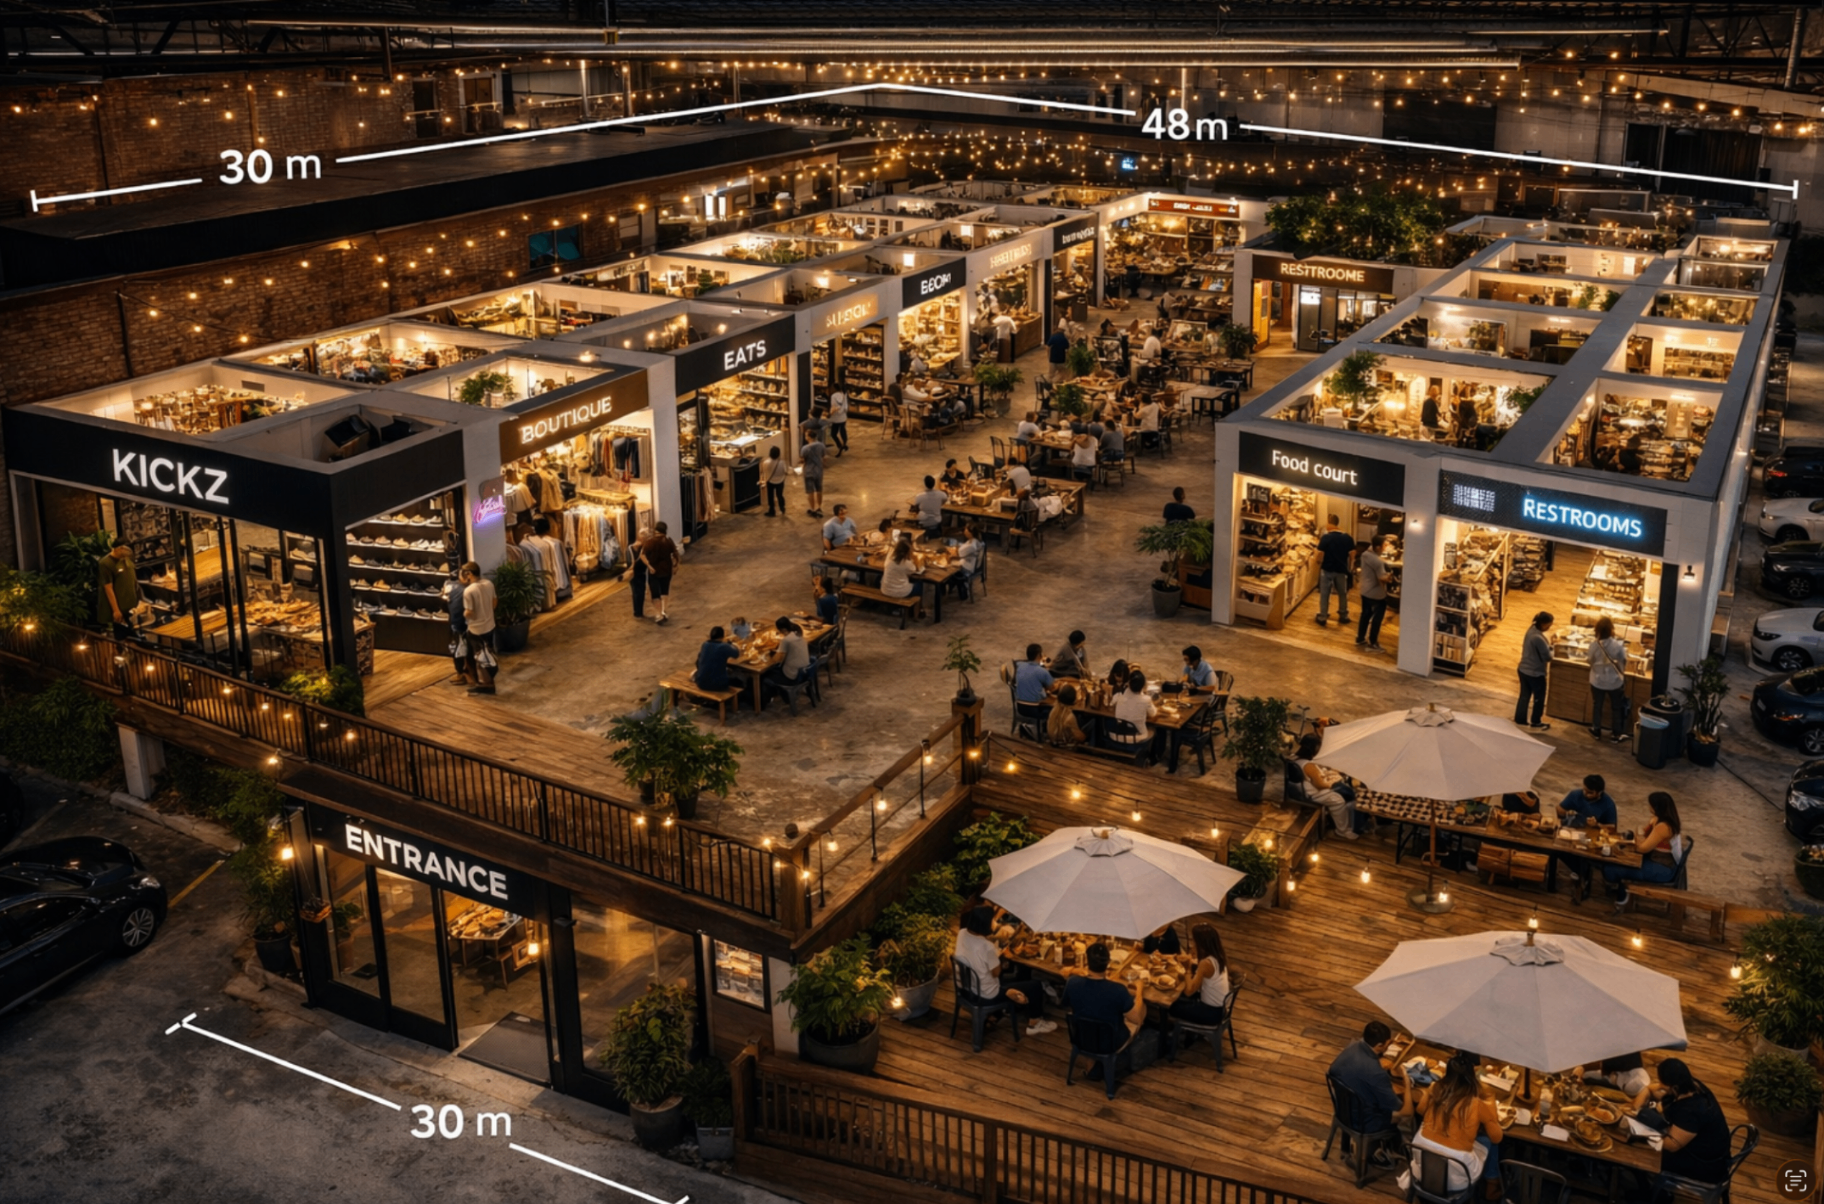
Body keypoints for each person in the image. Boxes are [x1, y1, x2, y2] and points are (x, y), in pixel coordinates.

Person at [1408, 1052, 1502, 1197]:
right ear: (1471, 1077)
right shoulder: (1477, 1104)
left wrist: (1431, 1095)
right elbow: (1497, 1138)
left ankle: (1492, 1182)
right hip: (1457, 1179)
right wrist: (1491, 1106)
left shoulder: (1435, 1088)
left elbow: (1420, 1110)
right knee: (1487, 1140)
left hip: (1423, 1169)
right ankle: (1492, 1183)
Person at [954, 906, 1055, 1036]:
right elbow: (996, 973)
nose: (993, 922)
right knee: (1035, 985)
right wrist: (999, 958)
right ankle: (1034, 1023)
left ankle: (1004, 1010)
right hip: (986, 994)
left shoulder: (962, 933)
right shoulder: (987, 946)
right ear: (985, 923)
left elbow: (976, 956)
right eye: (991, 920)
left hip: (966, 988)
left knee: (1018, 978)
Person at [1648, 1058, 1732, 1190]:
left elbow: (1671, 1145)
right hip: (1709, 1150)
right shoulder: (1692, 1086)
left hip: (1705, 1166)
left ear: (1674, 1087)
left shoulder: (1692, 1111)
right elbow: (1656, 1090)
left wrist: (1646, 1135)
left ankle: (1659, 1194)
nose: (1660, 1085)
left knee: (1649, 1154)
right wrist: (1647, 1092)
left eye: (1662, 1083)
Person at [1328, 1021, 1415, 1148]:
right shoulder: (1376, 1073)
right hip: (1363, 1121)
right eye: (1388, 1044)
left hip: (1343, 1107)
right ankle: (1385, 1148)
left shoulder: (1352, 1046)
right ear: (1379, 1045)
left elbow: (1334, 1070)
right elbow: (1406, 1111)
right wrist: (1407, 1082)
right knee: (1402, 1115)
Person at [1602, 791, 1686, 907]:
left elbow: (1643, 848)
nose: (1649, 807)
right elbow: (1643, 835)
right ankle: (1622, 891)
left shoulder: (1663, 827)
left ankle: (1623, 897)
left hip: (1662, 868)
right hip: (1660, 862)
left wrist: (1637, 839)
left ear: (1656, 807)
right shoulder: (1665, 821)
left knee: (1611, 869)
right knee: (1619, 864)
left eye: (1650, 804)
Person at [1064, 942, 1148, 1052]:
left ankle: (1090, 1064)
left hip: (1080, 1037)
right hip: (1110, 1044)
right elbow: (1137, 1019)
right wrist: (1139, 992)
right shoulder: (1118, 990)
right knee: (1142, 1008)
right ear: (1108, 963)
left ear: (1087, 961)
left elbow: (1065, 1004)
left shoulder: (1072, 982)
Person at [1295, 733, 1360, 839]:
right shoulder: (1308, 765)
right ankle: (1342, 830)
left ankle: (1343, 821)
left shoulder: (1295, 758)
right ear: (1314, 748)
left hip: (1301, 789)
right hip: (1312, 793)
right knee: (1338, 800)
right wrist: (1332, 781)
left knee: (1341, 789)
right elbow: (1320, 785)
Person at [1167, 923, 1231, 1028]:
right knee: (1178, 998)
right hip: (1220, 1007)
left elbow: (1189, 991)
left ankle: (1169, 1033)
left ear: (1201, 944)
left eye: (1194, 941)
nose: (1192, 944)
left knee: (1172, 1007)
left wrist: (1188, 968)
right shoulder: (1218, 955)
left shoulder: (1206, 963)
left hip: (1212, 1012)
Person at [1587, 615, 1630, 743]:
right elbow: (1623, 660)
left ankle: (1596, 729)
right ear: (1611, 629)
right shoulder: (1617, 645)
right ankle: (1616, 734)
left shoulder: (1594, 645)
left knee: (1597, 705)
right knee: (1616, 707)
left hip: (1597, 681)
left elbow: (1590, 660)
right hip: (1614, 682)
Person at [460, 561, 497, 695]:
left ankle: (484, 684)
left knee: (479, 656)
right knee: (488, 654)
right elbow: (494, 603)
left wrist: (464, 614)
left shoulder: (469, 591)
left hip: (476, 629)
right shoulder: (489, 584)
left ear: (469, 574)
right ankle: (489, 682)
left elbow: (470, 612)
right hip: (490, 625)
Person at [1314, 513, 1356, 627]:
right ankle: (1343, 615)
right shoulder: (1348, 538)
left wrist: (1318, 562)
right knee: (1342, 593)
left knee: (1324, 594)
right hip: (1341, 569)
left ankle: (1323, 616)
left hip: (1327, 569)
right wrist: (1350, 568)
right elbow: (1352, 554)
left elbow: (1320, 554)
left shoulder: (1326, 538)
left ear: (1329, 523)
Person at [1515, 611, 1554, 730]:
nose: (1549, 627)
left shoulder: (1531, 630)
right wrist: (1552, 646)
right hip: (1535, 673)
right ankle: (1536, 720)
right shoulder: (1538, 638)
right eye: (1549, 625)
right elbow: (1548, 657)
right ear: (1543, 624)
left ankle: (1520, 718)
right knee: (1539, 698)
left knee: (1524, 696)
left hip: (1523, 669)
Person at [1110, 669, 1158, 761]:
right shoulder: (1146, 699)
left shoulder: (1119, 696)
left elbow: (1112, 703)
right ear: (1143, 685)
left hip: (1116, 736)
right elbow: (1153, 714)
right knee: (1153, 729)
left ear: (1128, 683)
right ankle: (1152, 759)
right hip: (1136, 738)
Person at [1577, 1052, 1652, 1110]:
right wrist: (1582, 1068)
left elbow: (1645, 1090)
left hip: (1623, 1091)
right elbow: (1603, 1067)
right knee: (1586, 1075)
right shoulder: (1625, 1065)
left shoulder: (1637, 1081)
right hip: (1615, 1078)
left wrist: (1633, 1107)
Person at [1355, 537, 1391, 653]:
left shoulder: (1365, 554)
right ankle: (1373, 642)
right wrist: (1390, 577)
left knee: (1365, 614)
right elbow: (1382, 577)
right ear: (1377, 547)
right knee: (1377, 618)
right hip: (1376, 593)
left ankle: (1360, 638)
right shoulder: (1377, 560)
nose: (1386, 548)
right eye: (1384, 546)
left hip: (1364, 590)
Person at [95, 542, 139, 637]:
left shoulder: (126, 559)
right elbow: (108, 587)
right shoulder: (105, 564)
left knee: (135, 632)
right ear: (117, 548)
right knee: (122, 634)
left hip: (132, 604)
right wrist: (116, 610)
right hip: (120, 605)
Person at [640, 521, 680, 624]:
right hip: (667, 570)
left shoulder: (650, 542)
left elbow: (642, 555)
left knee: (655, 593)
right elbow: (676, 554)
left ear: (655, 530)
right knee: (664, 591)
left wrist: (649, 566)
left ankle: (658, 614)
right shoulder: (668, 541)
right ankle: (664, 611)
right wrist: (676, 566)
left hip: (654, 571)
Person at [1011, 643, 1055, 733]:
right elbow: (1052, 688)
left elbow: (1020, 663)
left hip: (1020, 707)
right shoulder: (1042, 672)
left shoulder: (1019, 666)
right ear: (1040, 655)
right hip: (1035, 709)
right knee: (1054, 707)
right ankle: (1046, 731)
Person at [694, 626, 740, 691]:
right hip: (717, 685)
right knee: (739, 679)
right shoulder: (724, 646)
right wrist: (731, 644)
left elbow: (698, 662)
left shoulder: (705, 644)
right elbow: (736, 654)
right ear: (722, 637)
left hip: (701, 683)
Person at [953, 523, 984, 600]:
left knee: (950, 571)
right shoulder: (975, 541)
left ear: (970, 533)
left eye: (966, 530)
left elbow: (960, 552)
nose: (964, 531)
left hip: (968, 567)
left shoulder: (972, 545)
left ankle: (961, 587)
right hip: (971, 564)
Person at [801, 430, 827, 518]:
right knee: (819, 489)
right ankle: (819, 507)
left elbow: (802, 460)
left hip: (809, 471)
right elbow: (824, 456)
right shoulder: (821, 445)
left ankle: (812, 509)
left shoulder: (805, 448)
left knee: (810, 491)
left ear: (809, 437)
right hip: (819, 470)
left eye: (806, 435)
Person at [628, 524, 651, 619]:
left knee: (638, 592)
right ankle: (638, 612)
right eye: (646, 537)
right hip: (637, 573)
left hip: (638, 573)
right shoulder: (637, 548)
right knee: (638, 592)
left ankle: (638, 611)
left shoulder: (636, 547)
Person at [763, 445, 789, 517]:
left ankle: (772, 511)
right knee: (780, 495)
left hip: (770, 481)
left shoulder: (766, 462)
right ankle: (782, 508)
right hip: (780, 481)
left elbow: (764, 471)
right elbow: (785, 472)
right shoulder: (782, 462)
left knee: (770, 496)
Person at [826, 386, 850, 454]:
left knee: (833, 434)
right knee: (842, 430)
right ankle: (844, 443)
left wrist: (829, 414)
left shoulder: (833, 396)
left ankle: (839, 445)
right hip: (843, 417)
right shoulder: (843, 394)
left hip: (836, 418)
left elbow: (833, 407)